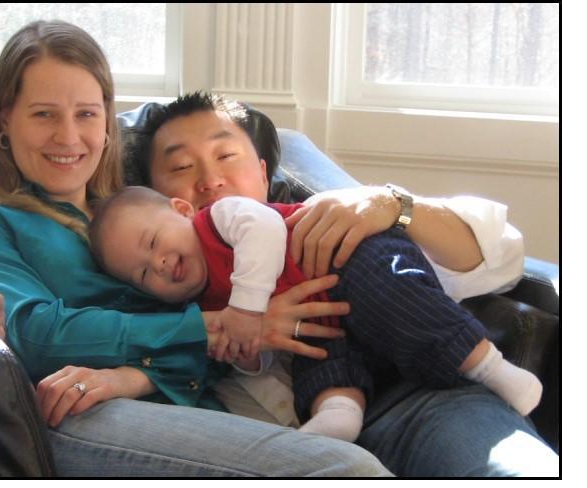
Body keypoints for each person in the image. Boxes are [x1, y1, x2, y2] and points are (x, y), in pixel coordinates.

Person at [0, 20, 391, 477]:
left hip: (191, 398)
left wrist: (136, 375)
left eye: (86, 114)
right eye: (43, 114)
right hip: (79, 413)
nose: (69, 137)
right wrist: (214, 327)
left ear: (107, 121)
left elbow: (215, 344)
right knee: (345, 469)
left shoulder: (140, 211)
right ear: (4, 120)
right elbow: (32, 334)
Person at [134, 91, 558, 476]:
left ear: (263, 174)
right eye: (181, 167)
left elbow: (504, 260)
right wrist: (231, 332)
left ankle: (488, 365)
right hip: (293, 437)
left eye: (226, 155)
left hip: (422, 396)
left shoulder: (326, 218)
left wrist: (397, 207)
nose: (210, 179)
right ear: (160, 199)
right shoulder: (156, 284)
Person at [89, 186, 543, 443]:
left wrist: (245, 308)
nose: (159, 264)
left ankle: (490, 366)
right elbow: (267, 351)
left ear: (182, 209)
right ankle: (340, 411)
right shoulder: (203, 309)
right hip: (319, 314)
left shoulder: (219, 218)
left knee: (400, 300)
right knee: (311, 350)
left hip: (351, 260)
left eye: (153, 243)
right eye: (143, 274)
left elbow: (264, 229)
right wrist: (249, 351)